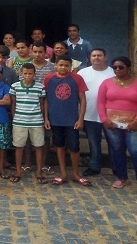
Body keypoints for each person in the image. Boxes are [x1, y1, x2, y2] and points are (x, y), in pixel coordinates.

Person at [98, 56, 137, 193]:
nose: (117, 69)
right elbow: (100, 103)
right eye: (114, 67)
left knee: (136, 151)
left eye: (121, 67)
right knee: (117, 149)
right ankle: (122, 178)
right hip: (112, 124)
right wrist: (104, 119)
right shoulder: (106, 83)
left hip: (133, 123)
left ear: (128, 68)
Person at [44, 55, 91, 187]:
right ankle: (63, 173)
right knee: (59, 145)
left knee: (74, 146)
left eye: (66, 65)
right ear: (55, 65)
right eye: (61, 65)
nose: (63, 67)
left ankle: (76, 174)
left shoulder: (76, 78)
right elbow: (46, 99)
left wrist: (80, 119)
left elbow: (82, 100)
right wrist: (46, 118)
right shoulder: (49, 79)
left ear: (70, 66)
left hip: (72, 120)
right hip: (55, 119)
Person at [77, 48, 116, 177]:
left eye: (99, 55)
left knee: (114, 142)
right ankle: (94, 166)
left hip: (111, 115)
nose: (96, 58)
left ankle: (117, 167)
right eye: (94, 55)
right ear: (90, 57)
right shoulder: (83, 72)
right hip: (89, 113)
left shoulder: (113, 72)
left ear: (105, 57)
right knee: (93, 142)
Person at [10, 63, 47, 184]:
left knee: (38, 146)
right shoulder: (15, 87)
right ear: (21, 74)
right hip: (19, 121)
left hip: (36, 121)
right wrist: (14, 117)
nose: (27, 76)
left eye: (30, 73)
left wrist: (44, 118)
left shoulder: (40, 87)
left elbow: (42, 104)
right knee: (19, 146)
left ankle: (39, 172)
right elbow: (13, 104)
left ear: (34, 74)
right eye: (25, 73)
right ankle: (18, 171)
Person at [31, 42, 56, 176]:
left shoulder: (52, 67)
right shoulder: (27, 66)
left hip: (47, 105)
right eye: (35, 51)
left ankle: (43, 163)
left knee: (46, 136)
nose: (37, 54)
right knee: (29, 136)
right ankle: (28, 163)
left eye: (40, 52)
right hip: (29, 106)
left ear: (45, 52)